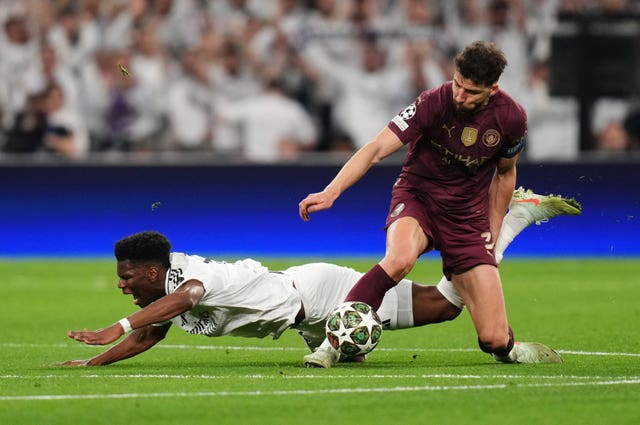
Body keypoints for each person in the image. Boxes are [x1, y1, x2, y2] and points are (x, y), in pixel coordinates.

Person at [58, 188, 581, 367]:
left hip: (318, 292)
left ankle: (512, 217)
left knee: (447, 307)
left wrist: (117, 324)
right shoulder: (164, 289)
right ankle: (511, 220)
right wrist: (94, 359)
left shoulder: (186, 277)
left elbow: (185, 299)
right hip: (304, 318)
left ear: (152, 270)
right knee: (446, 302)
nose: (123, 284)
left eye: (127, 277)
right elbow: (153, 331)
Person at [298, 40, 560, 368]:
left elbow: (505, 174)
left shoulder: (511, 118)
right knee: (398, 259)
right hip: (418, 197)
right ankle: (331, 344)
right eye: (458, 85)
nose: (461, 96)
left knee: (493, 339)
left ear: (492, 89)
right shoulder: (432, 101)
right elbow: (377, 147)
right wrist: (331, 191)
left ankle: (512, 349)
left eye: (471, 92)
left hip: (466, 215)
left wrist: (492, 230)